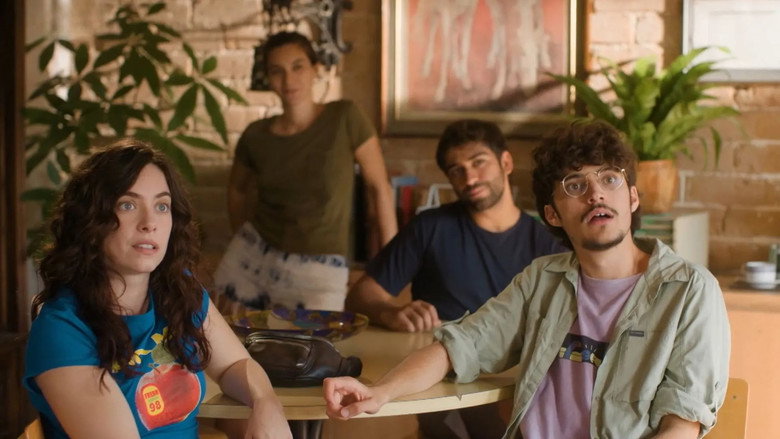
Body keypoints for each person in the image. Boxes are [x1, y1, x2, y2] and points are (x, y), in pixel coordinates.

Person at [323, 121, 731, 439]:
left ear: (632, 197)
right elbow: (458, 346)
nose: (595, 194)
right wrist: (380, 391)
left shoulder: (689, 291)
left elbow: (681, 424)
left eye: (609, 179)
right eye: (575, 185)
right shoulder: (543, 279)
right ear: (552, 214)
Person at [23, 140, 292, 439]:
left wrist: (266, 402)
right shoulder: (63, 330)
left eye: (162, 206)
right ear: (90, 221)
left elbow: (234, 365)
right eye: (128, 205)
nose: (149, 223)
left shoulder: (177, 292)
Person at [346, 119, 564, 438]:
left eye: (478, 162)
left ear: (506, 162)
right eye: (456, 170)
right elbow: (360, 295)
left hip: (512, 383)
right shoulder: (430, 227)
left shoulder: (548, 245)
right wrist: (390, 311)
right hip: (441, 384)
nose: (469, 178)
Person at [214, 31, 397, 312]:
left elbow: (379, 187)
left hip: (319, 269)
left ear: (315, 69)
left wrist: (390, 270)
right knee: (221, 336)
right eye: (277, 71)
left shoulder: (345, 117)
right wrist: (242, 234)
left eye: (297, 67)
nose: (289, 80)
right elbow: (237, 190)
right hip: (252, 258)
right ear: (268, 77)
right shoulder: (255, 135)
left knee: (317, 340)